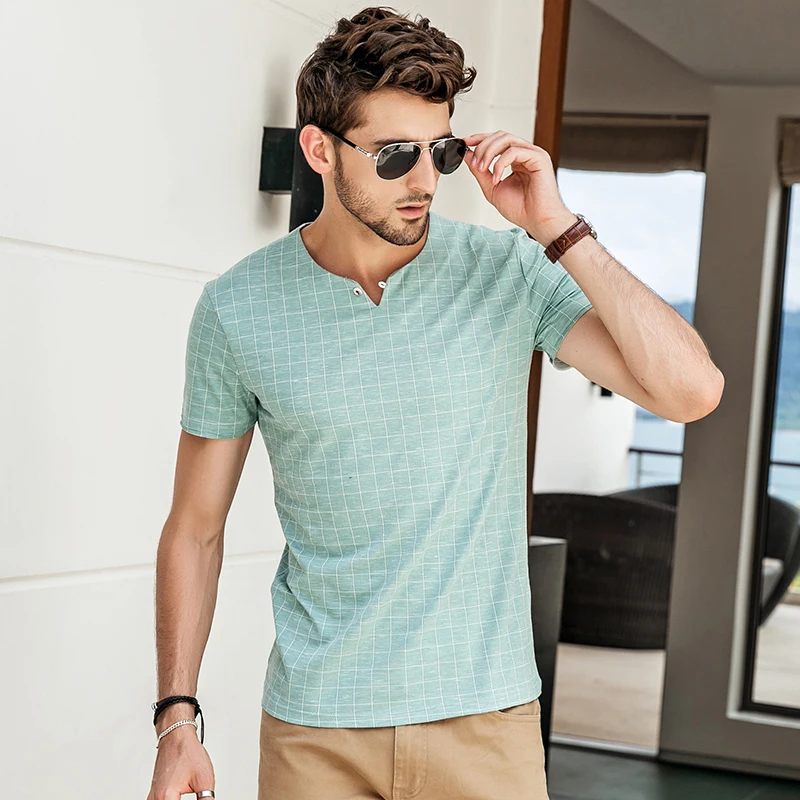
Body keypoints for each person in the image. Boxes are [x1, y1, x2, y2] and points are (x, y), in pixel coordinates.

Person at [146, 7, 724, 800]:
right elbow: (195, 529)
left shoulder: (508, 272)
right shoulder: (236, 310)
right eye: (394, 156)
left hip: (486, 728)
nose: (424, 182)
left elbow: (692, 393)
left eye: (440, 152)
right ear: (319, 150)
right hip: (318, 731)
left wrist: (556, 227)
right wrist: (177, 719)